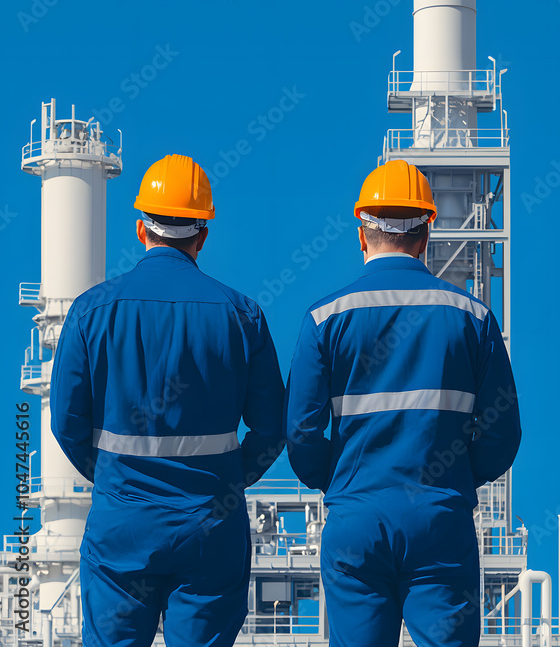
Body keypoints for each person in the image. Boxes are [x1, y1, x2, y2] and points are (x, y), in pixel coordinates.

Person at [50, 153, 285, 647]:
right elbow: (271, 428)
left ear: (142, 230)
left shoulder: (92, 312)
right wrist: (227, 480)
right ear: (203, 234)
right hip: (209, 524)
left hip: (122, 525)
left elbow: (67, 423)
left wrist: (115, 478)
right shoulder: (242, 315)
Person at [284, 159, 520, 647]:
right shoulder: (473, 318)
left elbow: (302, 434)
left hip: (358, 520)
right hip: (439, 520)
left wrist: (345, 481)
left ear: (361, 233)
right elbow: (502, 432)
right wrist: (452, 479)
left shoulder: (326, 318)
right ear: (426, 234)